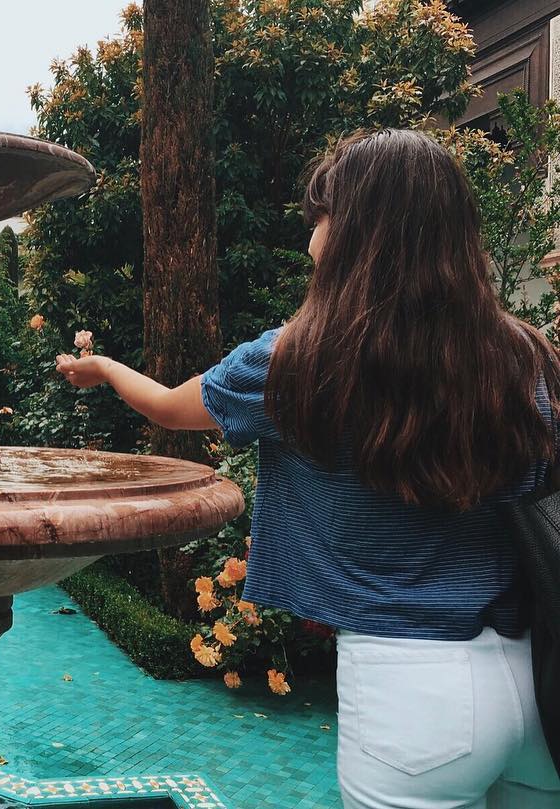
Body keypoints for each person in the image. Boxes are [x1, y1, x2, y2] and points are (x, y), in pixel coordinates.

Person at [56, 129, 560, 809]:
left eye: (320, 215)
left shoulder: (294, 363)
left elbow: (169, 408)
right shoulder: (525, 357)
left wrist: (105, 368)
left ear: (356, 230)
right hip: (535, 678)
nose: (311, 238)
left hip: (412, 699)